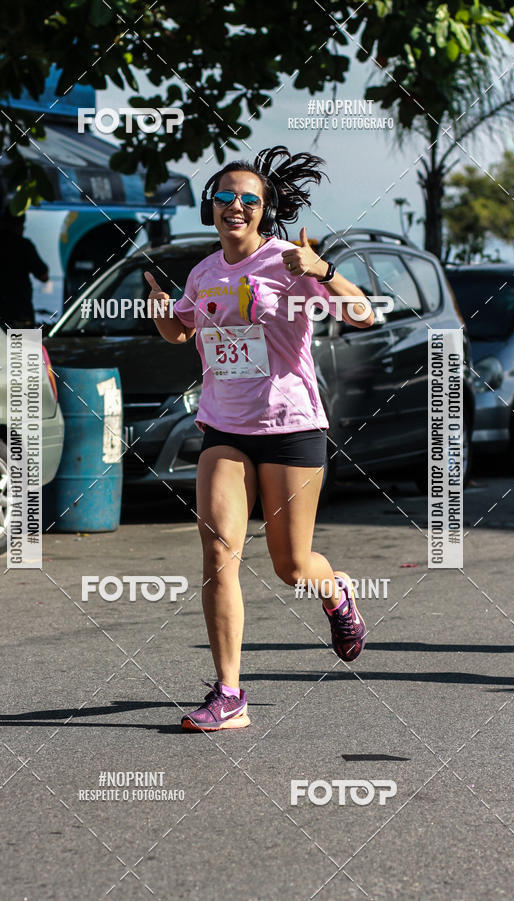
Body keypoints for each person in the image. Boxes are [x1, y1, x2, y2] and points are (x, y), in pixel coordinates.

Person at [145, 145, 375, 732]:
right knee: (218, 553)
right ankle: (229, 693)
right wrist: (162, 312)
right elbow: (183, 330)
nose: (236, 206)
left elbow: (363, 315)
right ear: (211, 206)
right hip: (224, 428)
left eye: (249, 199)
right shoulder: (203, 273)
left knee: (291, 567)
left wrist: (322, 270)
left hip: (292, 428)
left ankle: (335, 591)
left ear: (264, 211)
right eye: (225, 196)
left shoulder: (288, 262)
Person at [0, 208, 49, 327]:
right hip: (20, 311)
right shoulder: (24, 245)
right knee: (24, 340)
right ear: (20, 225)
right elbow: (43, 276)